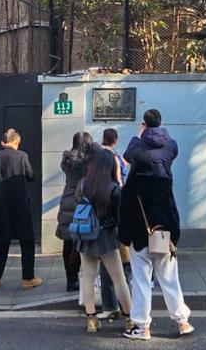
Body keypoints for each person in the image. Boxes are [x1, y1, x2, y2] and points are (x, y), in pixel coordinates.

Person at [119, 111, 193, 340]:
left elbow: (129, 155)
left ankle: (142, 327)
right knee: (170, 278)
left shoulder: (134, 182)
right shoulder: (166, 172)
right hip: (164, 232)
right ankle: (182, 322)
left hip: (140, 234)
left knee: (141, 281)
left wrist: (138, 136)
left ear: (144, 125)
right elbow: (169, 147)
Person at [76, 148, 133, 334]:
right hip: (106, 237)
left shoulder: (83, 184)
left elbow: (78, 203)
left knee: (88, 277)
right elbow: (120, 216)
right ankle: (129, 318)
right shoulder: (113, 189)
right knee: (119, 278)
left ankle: (91, 320)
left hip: (85, 235)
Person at [0, 129, 42, 291]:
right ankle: (27, 278)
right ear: (17, 142)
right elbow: (30, 176)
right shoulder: (22, 156)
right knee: (27, 241)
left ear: (4, 142)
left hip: (1, 205)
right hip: (20, 205)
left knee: (1, 242)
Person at [97, 128, 130, 319]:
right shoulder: (117, 190)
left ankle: (107, 309)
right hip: (116, 232)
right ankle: (129, 314)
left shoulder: (91, 184)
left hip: (99, 234)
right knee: (122, 274)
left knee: (105, 272)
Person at [55, 131, 94, 292]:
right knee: (79, 240)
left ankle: (69, 279)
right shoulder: (90, 160)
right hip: (84, 199)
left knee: (67, 239)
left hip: (68, 197)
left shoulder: (67, 158)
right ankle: (76, 276)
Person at [123, 108, 177, 180]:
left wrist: (138, 135)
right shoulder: (171, 144)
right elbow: (173, 155)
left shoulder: (137, 144)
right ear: (160, 123)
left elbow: (128, 157)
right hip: (163, 185)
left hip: (141, 185)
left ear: (145, 124)